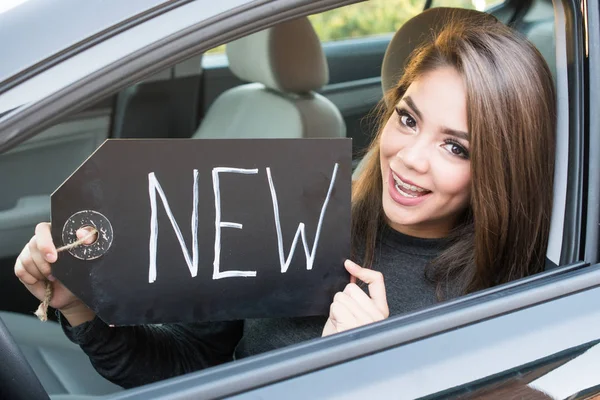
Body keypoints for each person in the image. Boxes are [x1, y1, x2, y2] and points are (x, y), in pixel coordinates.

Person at [13, 10, 556, 389]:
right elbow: (195, 369)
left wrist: (373, 368)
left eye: (455, 146)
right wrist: (83, 309)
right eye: (408, 118)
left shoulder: (518, 300)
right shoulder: (291, 218)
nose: (411, 157)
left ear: (500, 167)